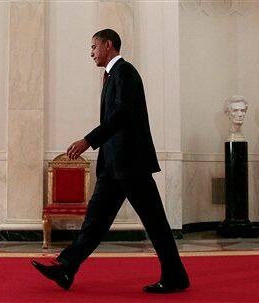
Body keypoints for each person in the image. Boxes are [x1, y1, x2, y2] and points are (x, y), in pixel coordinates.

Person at [32, 29, 190, 294]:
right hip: (114, 167)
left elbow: (122, 115)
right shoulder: (112, 76)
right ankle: (66, 268)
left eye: (93, 46)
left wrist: (88, 140)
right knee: (94, 222)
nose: (91, 52)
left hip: (131, 165)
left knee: (155, 223)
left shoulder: (125, 72)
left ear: (108, 45)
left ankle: (175, 277)